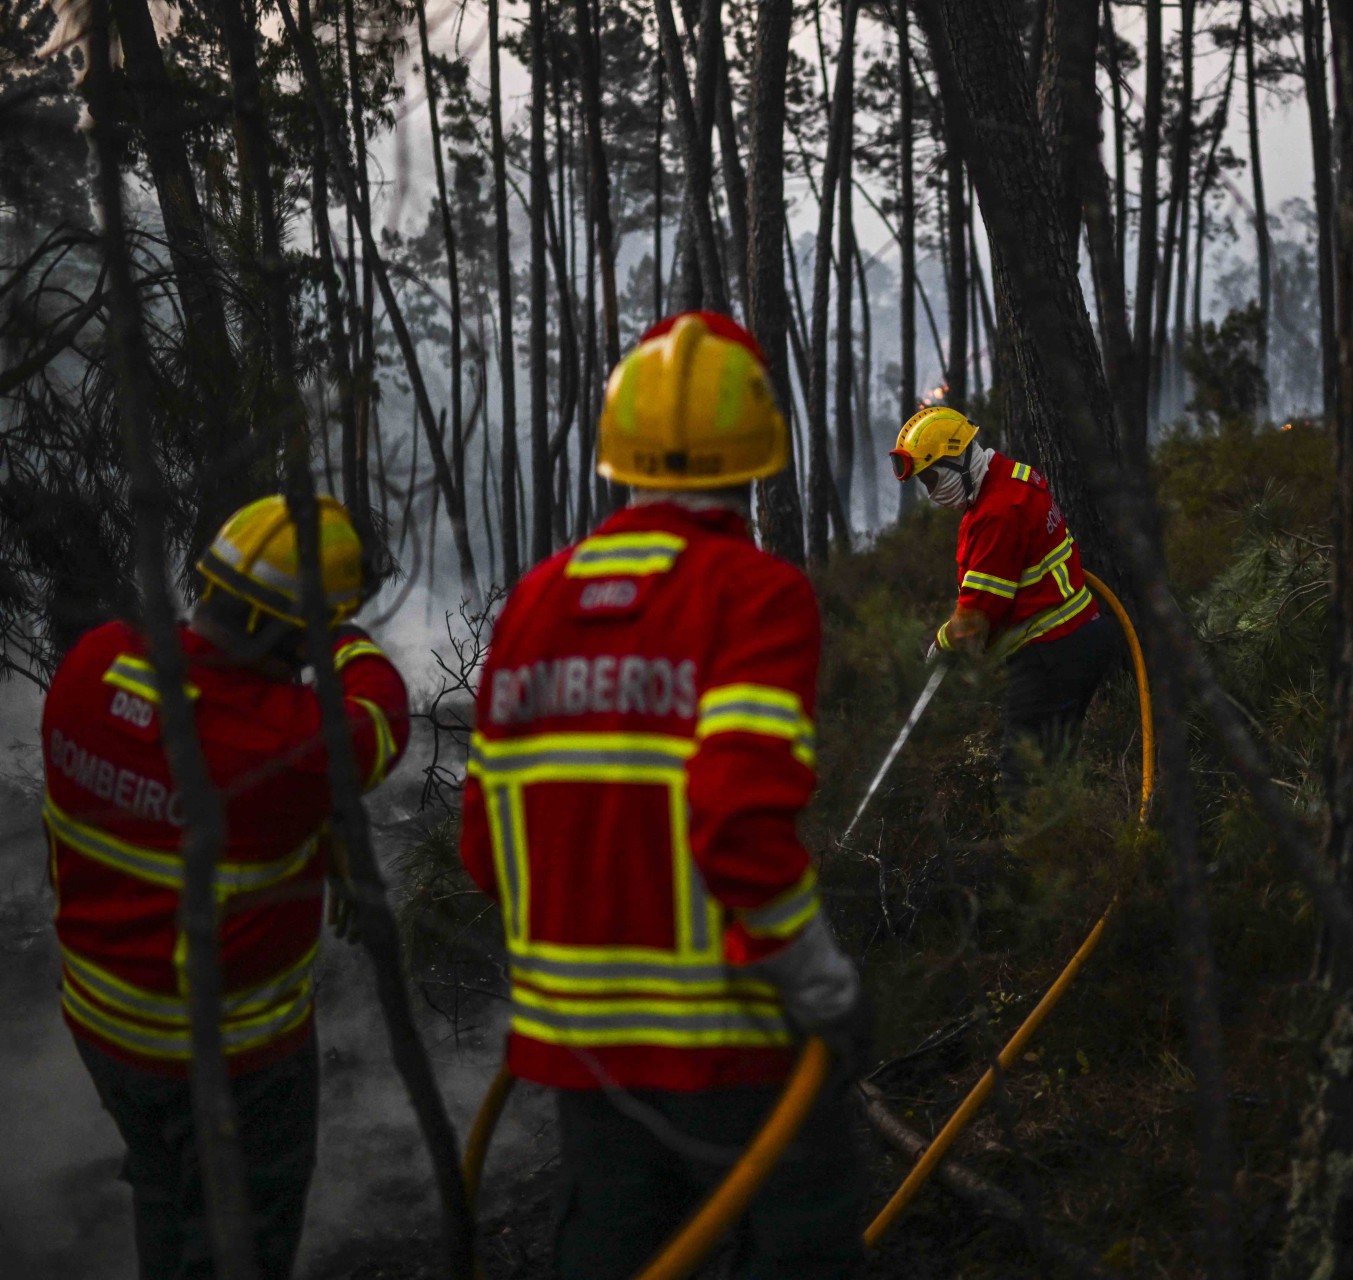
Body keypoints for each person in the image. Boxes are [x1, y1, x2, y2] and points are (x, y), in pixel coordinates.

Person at [459, 310, 870, 1280]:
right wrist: (826, 989)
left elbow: (484, 849)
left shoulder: (533, 601)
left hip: (576, 1044)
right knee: (803, 1243)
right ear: (757, 455)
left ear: (620, 453)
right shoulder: (754, 594)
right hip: (732, 1041)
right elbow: (736, 824)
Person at [42, 494, 409, 1280]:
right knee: (238, 1239)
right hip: (231, 1063)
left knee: (167, 1196)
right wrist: (346, 639)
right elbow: (380, 720)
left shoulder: (88, 666)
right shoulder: (280, 744)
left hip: (101, 1030)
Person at [889, 407, 1120, 802]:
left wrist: (941, 646)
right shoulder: (1013, 477)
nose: (931, 492)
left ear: (957, 458)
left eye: (931, 478)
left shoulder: (996, 514)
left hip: (1051, 656)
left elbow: (975, 623)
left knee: (1022, 785)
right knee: (1053, 770)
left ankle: (1039, 859)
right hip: (1080, 639)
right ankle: (1081, 845)